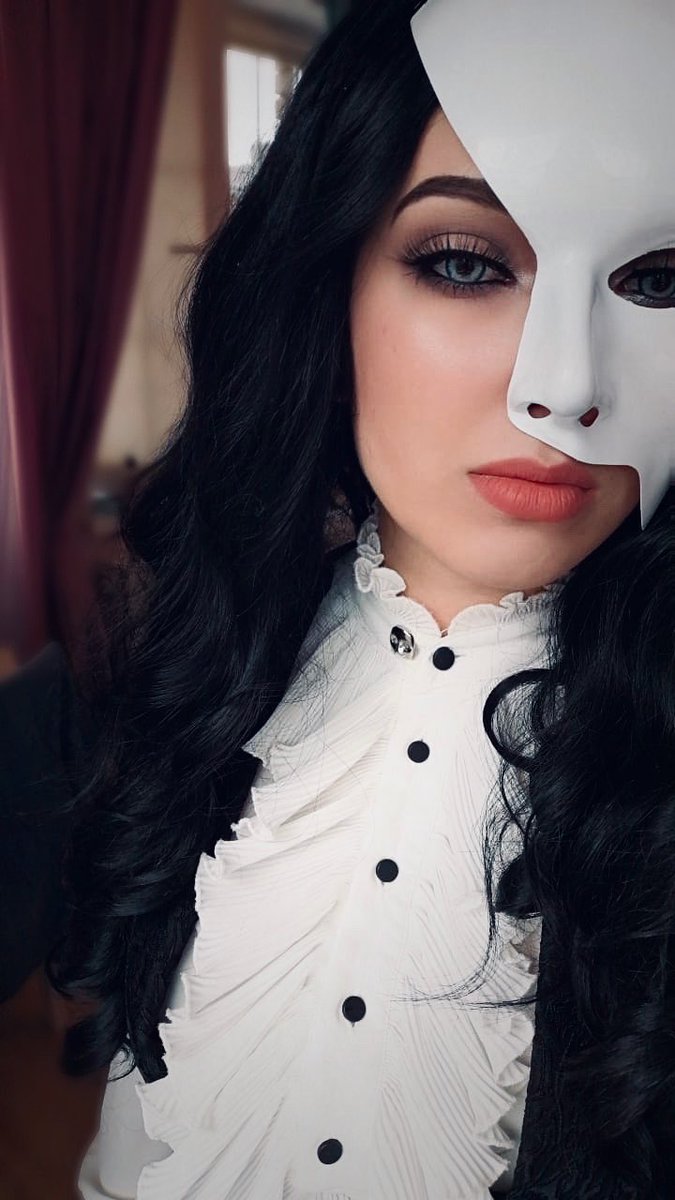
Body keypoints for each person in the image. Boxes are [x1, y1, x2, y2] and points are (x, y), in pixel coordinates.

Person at [1, 0, 673, 1196]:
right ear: (328, 285)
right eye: (463, 262)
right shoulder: (142, 676)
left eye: (659, 279)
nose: (562, 386)